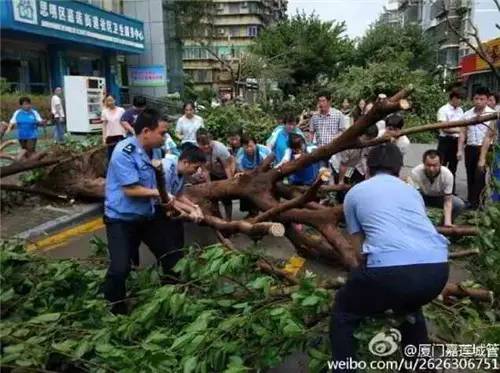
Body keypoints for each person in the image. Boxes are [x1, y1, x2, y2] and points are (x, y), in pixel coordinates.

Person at [330, 143, 449, 372]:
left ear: (368, 166)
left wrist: (369, 287)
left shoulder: (355, 193)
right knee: (410, 307)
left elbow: (359, 251)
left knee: (344, 312)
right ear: (399, 169)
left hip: (390, 270)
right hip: (437, 269)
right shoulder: (411, 192)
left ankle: (344, 369)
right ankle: (420, 365)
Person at [103, 108, 179, 314]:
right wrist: (160, 195)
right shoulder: (123, 152)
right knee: (120, 269)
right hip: (121, 219)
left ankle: (171, 299)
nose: (165, 138)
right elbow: (131, 189)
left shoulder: (154, 151)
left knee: (172, 256)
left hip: (146, 216)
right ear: (146, 131)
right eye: (162, 133)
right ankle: (114, 308)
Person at [458, 86, 496, 209]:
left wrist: (482, 157)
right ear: (472, 99)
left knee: (480, 175)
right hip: (470, 148)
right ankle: (471, 202)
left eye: (482, 99)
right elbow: (462, 133)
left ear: (487, 100)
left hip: (485, 148)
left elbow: (489, 137)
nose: (478, 101)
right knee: (470, 175)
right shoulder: (467, 114)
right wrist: (459, 150)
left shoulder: (493, 114)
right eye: (476, 98)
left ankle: (479, 203)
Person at [410, 150, 465, 226]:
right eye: (428, 165)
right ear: (423, 163)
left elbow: (448, 201)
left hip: (440, 197)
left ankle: (443, 227)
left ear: (441, 164)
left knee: (459, 204)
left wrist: (447, 221)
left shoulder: (447, 175)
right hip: (421, 196)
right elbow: (414, 197)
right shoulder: (416, 172)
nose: (431, 169)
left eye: (435, 165)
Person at [196, 128, 235, 220]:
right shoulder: (198, 151)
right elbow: (205, 170)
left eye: (208, 143)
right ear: (198, 144)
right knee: (213, 197)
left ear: (211, 140)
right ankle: (218, 218)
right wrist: (209, 186)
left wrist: (229, 182)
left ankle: (229, 219)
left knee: (226, 196)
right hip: (212, 172)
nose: (206, 146)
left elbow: (227, 167)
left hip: (224, 171)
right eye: (203, 144)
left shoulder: (220, 148)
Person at [235, 134, 270, 215]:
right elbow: (240, 170)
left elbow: (267, 166)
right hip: (249, 176)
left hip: (263, 174)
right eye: (246, 147)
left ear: (255, 144)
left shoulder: (263, 151)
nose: (249, 149)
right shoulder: (240, 154)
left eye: (251, 146)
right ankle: (252, 212)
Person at [309, 91, 346, 169]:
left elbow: (343, 131)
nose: (321, 103)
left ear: (329, 101)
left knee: (334, 173)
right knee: (322, 175)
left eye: (323, 101)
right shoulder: (315, 117)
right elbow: (311, 132)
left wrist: (336, 137)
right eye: (319, 101)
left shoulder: (338, 114)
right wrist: (310, 146)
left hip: (334, 151)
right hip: (320, 151)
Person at [436, 90, 464, 181]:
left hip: (456, 141)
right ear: (454, 98)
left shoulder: (460, 110)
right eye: (459, 99)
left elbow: (463, 126)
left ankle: (451, 189)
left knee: (453, 166)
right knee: (441, 164)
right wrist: (458, 130)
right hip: (445, 140)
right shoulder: (443, 110)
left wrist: (460, 131)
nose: (460, 101)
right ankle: (439, 187)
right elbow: (444, 127)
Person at [101, 95, 126, 159]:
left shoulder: (121, 110)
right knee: (111, 156)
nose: (110, 102)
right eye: (108, 101)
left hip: (121, 136)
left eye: (111, 100)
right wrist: (104, 138)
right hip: (110, 137)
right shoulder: (104, 112)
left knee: (122, 156)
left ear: (115, 100)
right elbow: (104, 125)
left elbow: (125, 122)